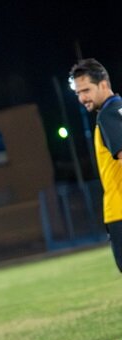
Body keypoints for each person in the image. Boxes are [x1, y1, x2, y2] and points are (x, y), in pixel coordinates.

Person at [69, 59, 122, 270]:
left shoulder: (108, 115)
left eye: (86, 90)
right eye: (78, 93)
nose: (82, 98)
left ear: (103, 84)